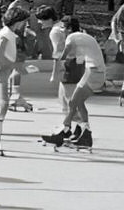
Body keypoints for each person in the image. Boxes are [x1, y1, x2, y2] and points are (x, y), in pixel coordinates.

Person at [41, 16, 106, 150]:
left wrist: (56, 55)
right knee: (77, 102)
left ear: (69, 28)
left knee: (73, 102)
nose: (62, 31)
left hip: (94, 72)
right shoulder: (82, 36)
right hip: (95, 71)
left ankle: (65, 131)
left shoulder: (71, 38)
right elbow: (76, 57)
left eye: (64, 28)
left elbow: (65, 55)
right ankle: (84, 134)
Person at [0, 7, 30, 156]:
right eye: (23, 21)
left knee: (1, 103)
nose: (23, 24)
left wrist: (20, 67)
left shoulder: (9, 34)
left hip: (3, 70)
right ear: (17, 21)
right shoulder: (5, 34)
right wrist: (14, 66)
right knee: (4, 104)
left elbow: (9, 57)